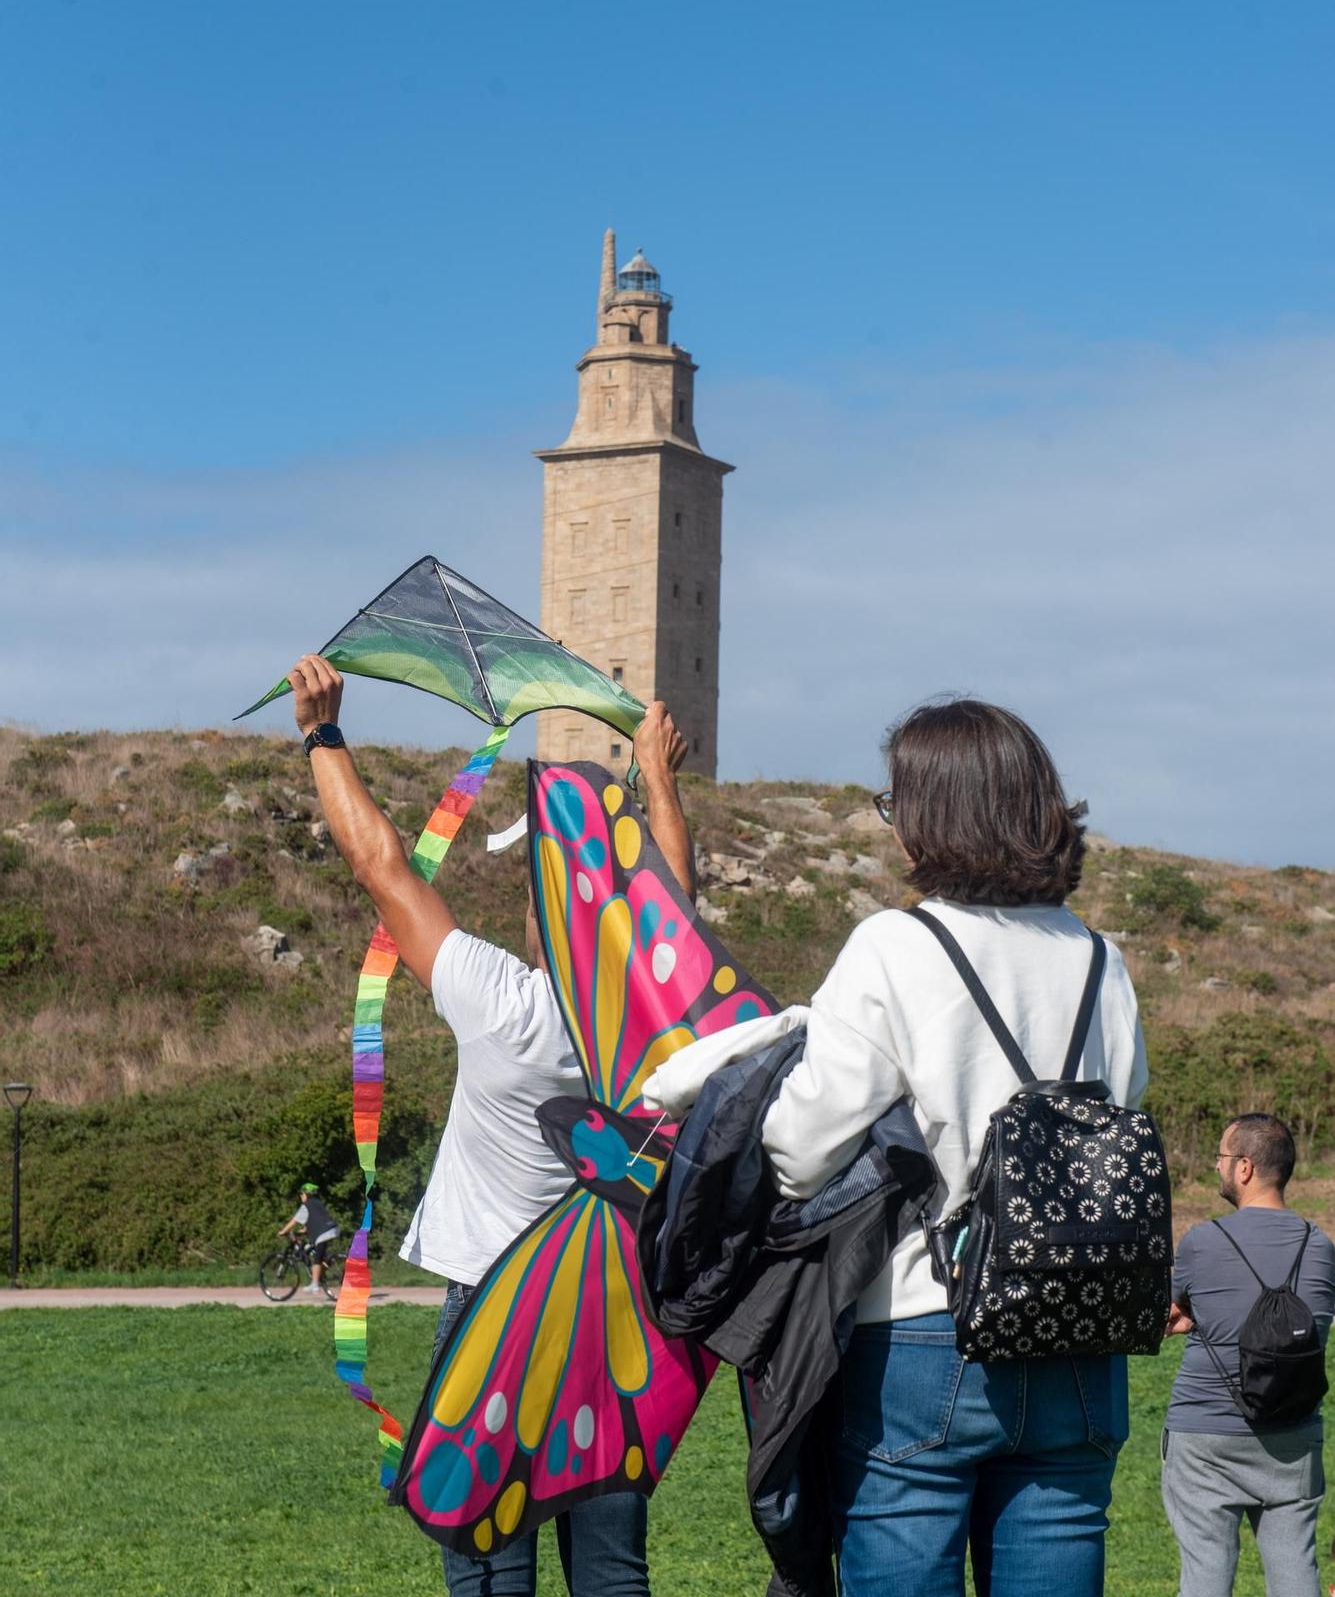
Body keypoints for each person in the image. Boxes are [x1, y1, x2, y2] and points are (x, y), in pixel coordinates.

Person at [288, 652, 694, 1597]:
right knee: (611, 1575)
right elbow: (671, 899)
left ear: (546, 907)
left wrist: (321, 733)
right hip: (609, 1318)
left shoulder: (505, 1003)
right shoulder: (653, 1018)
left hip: (493, 1313)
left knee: (484, 1563)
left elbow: (379, 863)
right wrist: (658, 780)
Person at [761, 697, 1148, 1597]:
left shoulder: (895, 945)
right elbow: (1119, 1113)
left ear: (933, 815)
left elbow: (802, 1150)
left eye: (894, 804)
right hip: (1081, 1333)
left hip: (925, 1326)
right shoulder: (1101, 959)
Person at [1162, 1113, 1335, 1597]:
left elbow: (1168, 1315)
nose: (1216, 1167)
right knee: (1296, 1571)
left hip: (1205, 1437)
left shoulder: (1203, 1241)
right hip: (1293, 1436)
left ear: (1243, 1167)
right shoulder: (1320, 1247)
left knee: (1206, 1574)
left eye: (1219, 1157)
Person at [277, 1182, 339, 1297]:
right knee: (321, 1256)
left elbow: (294, 1221)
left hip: (323, 1233)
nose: (300, 1196)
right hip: (333, 1229)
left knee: (317, 1259)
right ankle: (323, 1274)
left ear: (306, 1194)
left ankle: (314, 1284)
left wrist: (283, 1231)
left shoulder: (306, 1206)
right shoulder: (318, 1203)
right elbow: (316, 1219)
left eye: (301, 1194)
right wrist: (304, 1230)